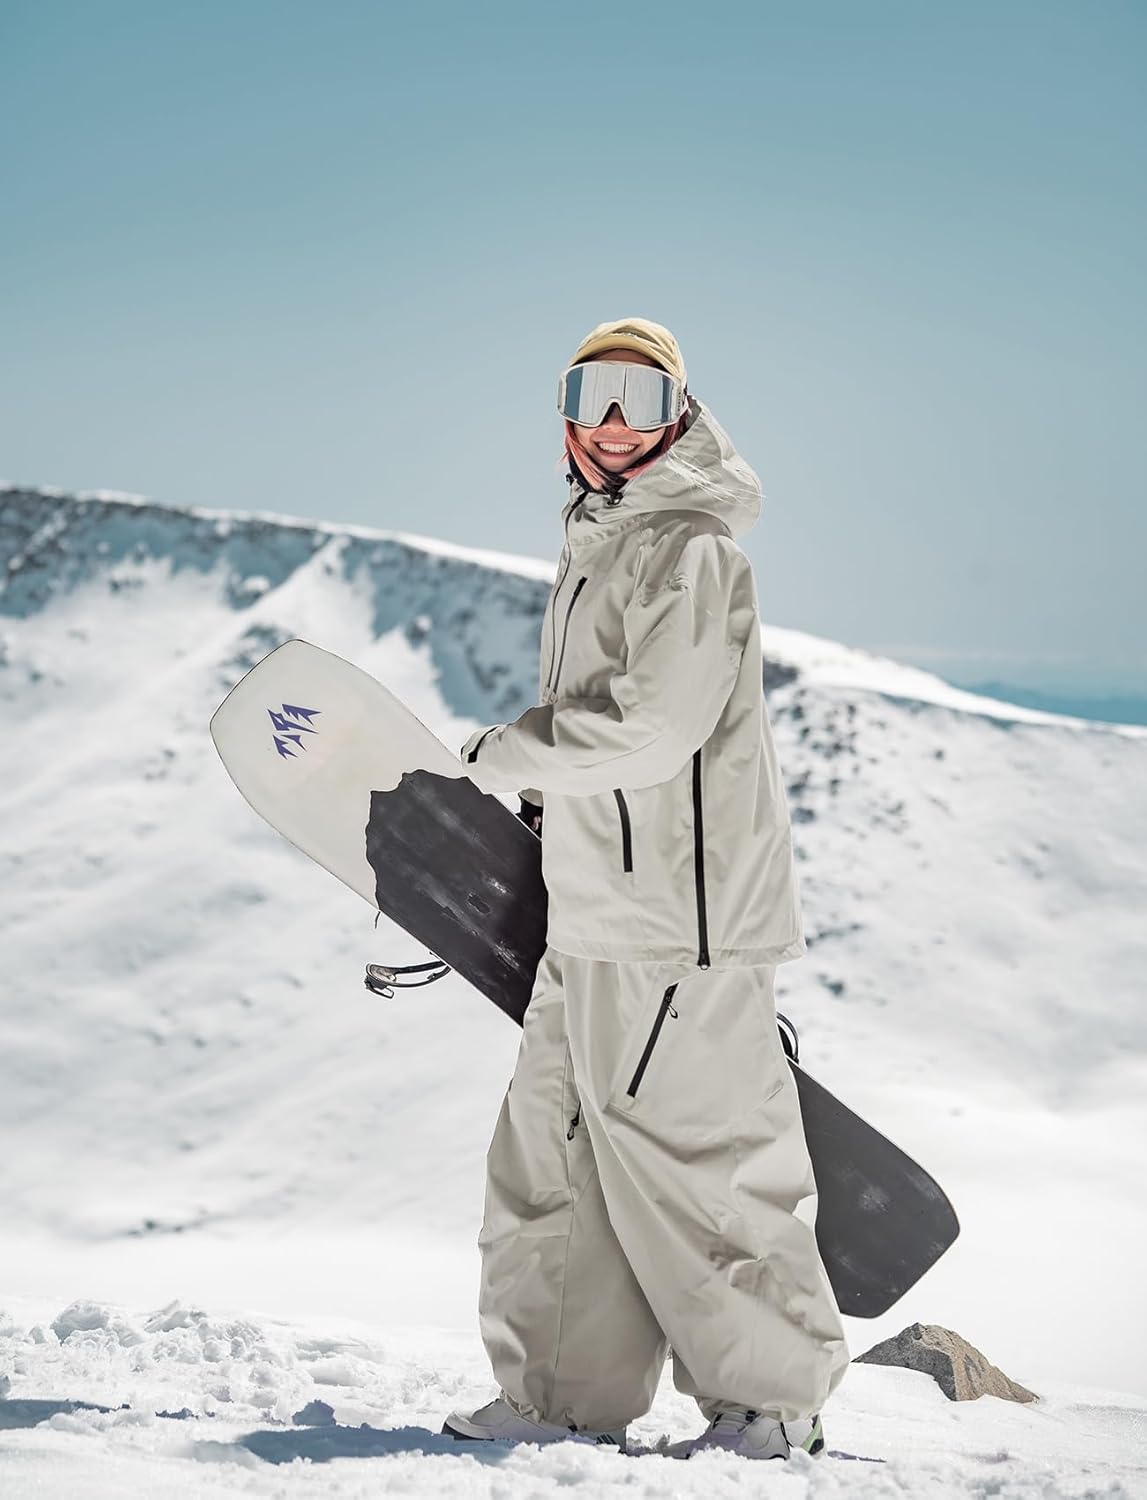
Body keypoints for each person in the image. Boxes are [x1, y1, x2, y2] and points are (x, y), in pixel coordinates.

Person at [447, 317, 849, 1460]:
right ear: (565, 415)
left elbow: (651, 732)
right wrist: (543, 803)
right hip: (591, 916)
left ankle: (768, 1409)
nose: (616, 421)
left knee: (701, 1163)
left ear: (681, 415)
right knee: (552, 1163)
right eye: (594, 393)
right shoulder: (601, 542)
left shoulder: (690, 551)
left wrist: (509, 756)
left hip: (678, 927)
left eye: (642, 395)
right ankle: (559, 1400)